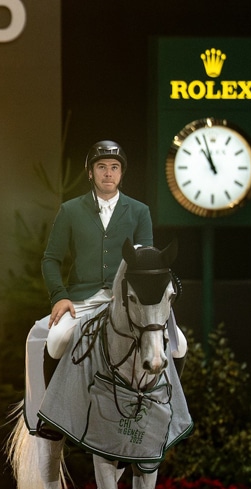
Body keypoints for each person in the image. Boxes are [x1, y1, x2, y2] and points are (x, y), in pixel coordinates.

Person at [41, 140, 154, 380]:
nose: (108, 173)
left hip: (126, 300)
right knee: (56, 339)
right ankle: (51, 412)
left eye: (114, 167)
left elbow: (145, 262)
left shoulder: (139, 211)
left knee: (179, 344)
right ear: (91, 173)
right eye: (101, 166)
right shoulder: (70, 210)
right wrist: (59, 297)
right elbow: (51, 259)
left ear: (121, 173)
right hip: (82, 299)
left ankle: (167, 405)